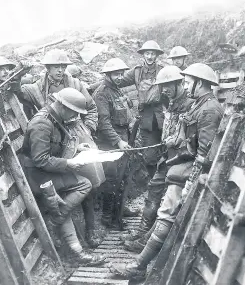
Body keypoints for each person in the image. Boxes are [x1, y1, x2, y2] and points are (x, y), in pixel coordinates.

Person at [110, 63, 224, 280]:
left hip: (187, 170)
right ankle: (141, 262)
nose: (187, 86)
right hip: (181, 162)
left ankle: (139, 266)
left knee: (166, 214)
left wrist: (190, 181)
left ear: (200, 83)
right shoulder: (201, 105)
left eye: (189, 82)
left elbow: (204, 152)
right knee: (165, 212)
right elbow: (188, 137)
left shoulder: (209, 109)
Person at [10, 49, 102, 248]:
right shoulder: (36, 88)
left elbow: (91, 108)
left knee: (91, 179)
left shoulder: (76, 84)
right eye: (55, 67)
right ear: (47, 68)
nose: (60, 70)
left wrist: (88, 128)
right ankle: (64, 226)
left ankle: (91, 228)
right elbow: (18, 91)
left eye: (63, 66)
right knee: (76, 179)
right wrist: (19, 68)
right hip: (54, 135)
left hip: (76, 132)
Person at [21, 88, 105, 265]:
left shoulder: (55, 118)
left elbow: (57, 146)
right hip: (37, 175)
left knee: (65, 199)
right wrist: (68, 164)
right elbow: (40, 159)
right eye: (74, 112)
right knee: (84, 185)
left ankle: (74, 250)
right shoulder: (42, 124)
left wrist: (77, 149)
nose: (75, 116)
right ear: (62, 106)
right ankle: (55, 222)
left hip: (47, 171)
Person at [121, 65, 195, 252]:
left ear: (179, 84)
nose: (165, 90)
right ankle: (142, 232)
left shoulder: (189, 104)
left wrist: (177, 140)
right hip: (168, 157)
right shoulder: (170, 101)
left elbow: (193, 138)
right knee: (154, 188)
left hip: (181, 158)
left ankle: (146, 240)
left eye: (169, 86)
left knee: (164, 199)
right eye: (162, 86)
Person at [92, 58, 139, 229]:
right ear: (108, 75)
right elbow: (103, 123)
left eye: (121, 74)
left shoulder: (118, 90)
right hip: (109, 143)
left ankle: (120, 209)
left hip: (123, 138)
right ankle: (107, 216)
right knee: (111, 179)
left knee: (124, 176)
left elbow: (127, 112)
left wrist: (131, 124)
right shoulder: (102, 93)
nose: (120, 77)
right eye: (116, 74)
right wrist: (118, 141)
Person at [117, 40, 165, 178]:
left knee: (169, 151)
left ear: (157, 55)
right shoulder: (137, 72)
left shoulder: (162, 70)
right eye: (147, 53)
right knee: (149, 156)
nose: (150, 57)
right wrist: (91, 87)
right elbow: (118, 80)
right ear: (143, 55)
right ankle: (153, 181)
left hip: (163, 116)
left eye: (153, 54)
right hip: (146, 120)